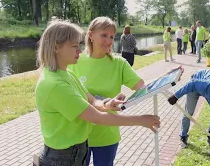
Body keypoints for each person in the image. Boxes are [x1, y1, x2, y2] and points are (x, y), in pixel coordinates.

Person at [35, 20, 161, 166]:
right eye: (74, 46)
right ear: (56, 46)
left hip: (76, 151)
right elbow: (96, 118)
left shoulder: (67, 74)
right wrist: (140, 120)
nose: (79, 50)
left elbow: (92, 100)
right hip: (63, 157)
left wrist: (107, 103)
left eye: (79, 45)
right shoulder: (54, 84)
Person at [68, 17, 180, 166]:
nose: (108, 41)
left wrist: (165, 77)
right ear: (91, 34)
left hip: (107, 135)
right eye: (104, 35)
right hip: (79, 136)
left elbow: (143, 86)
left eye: (111, 36)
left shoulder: (119, 63)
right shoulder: (75, 61)